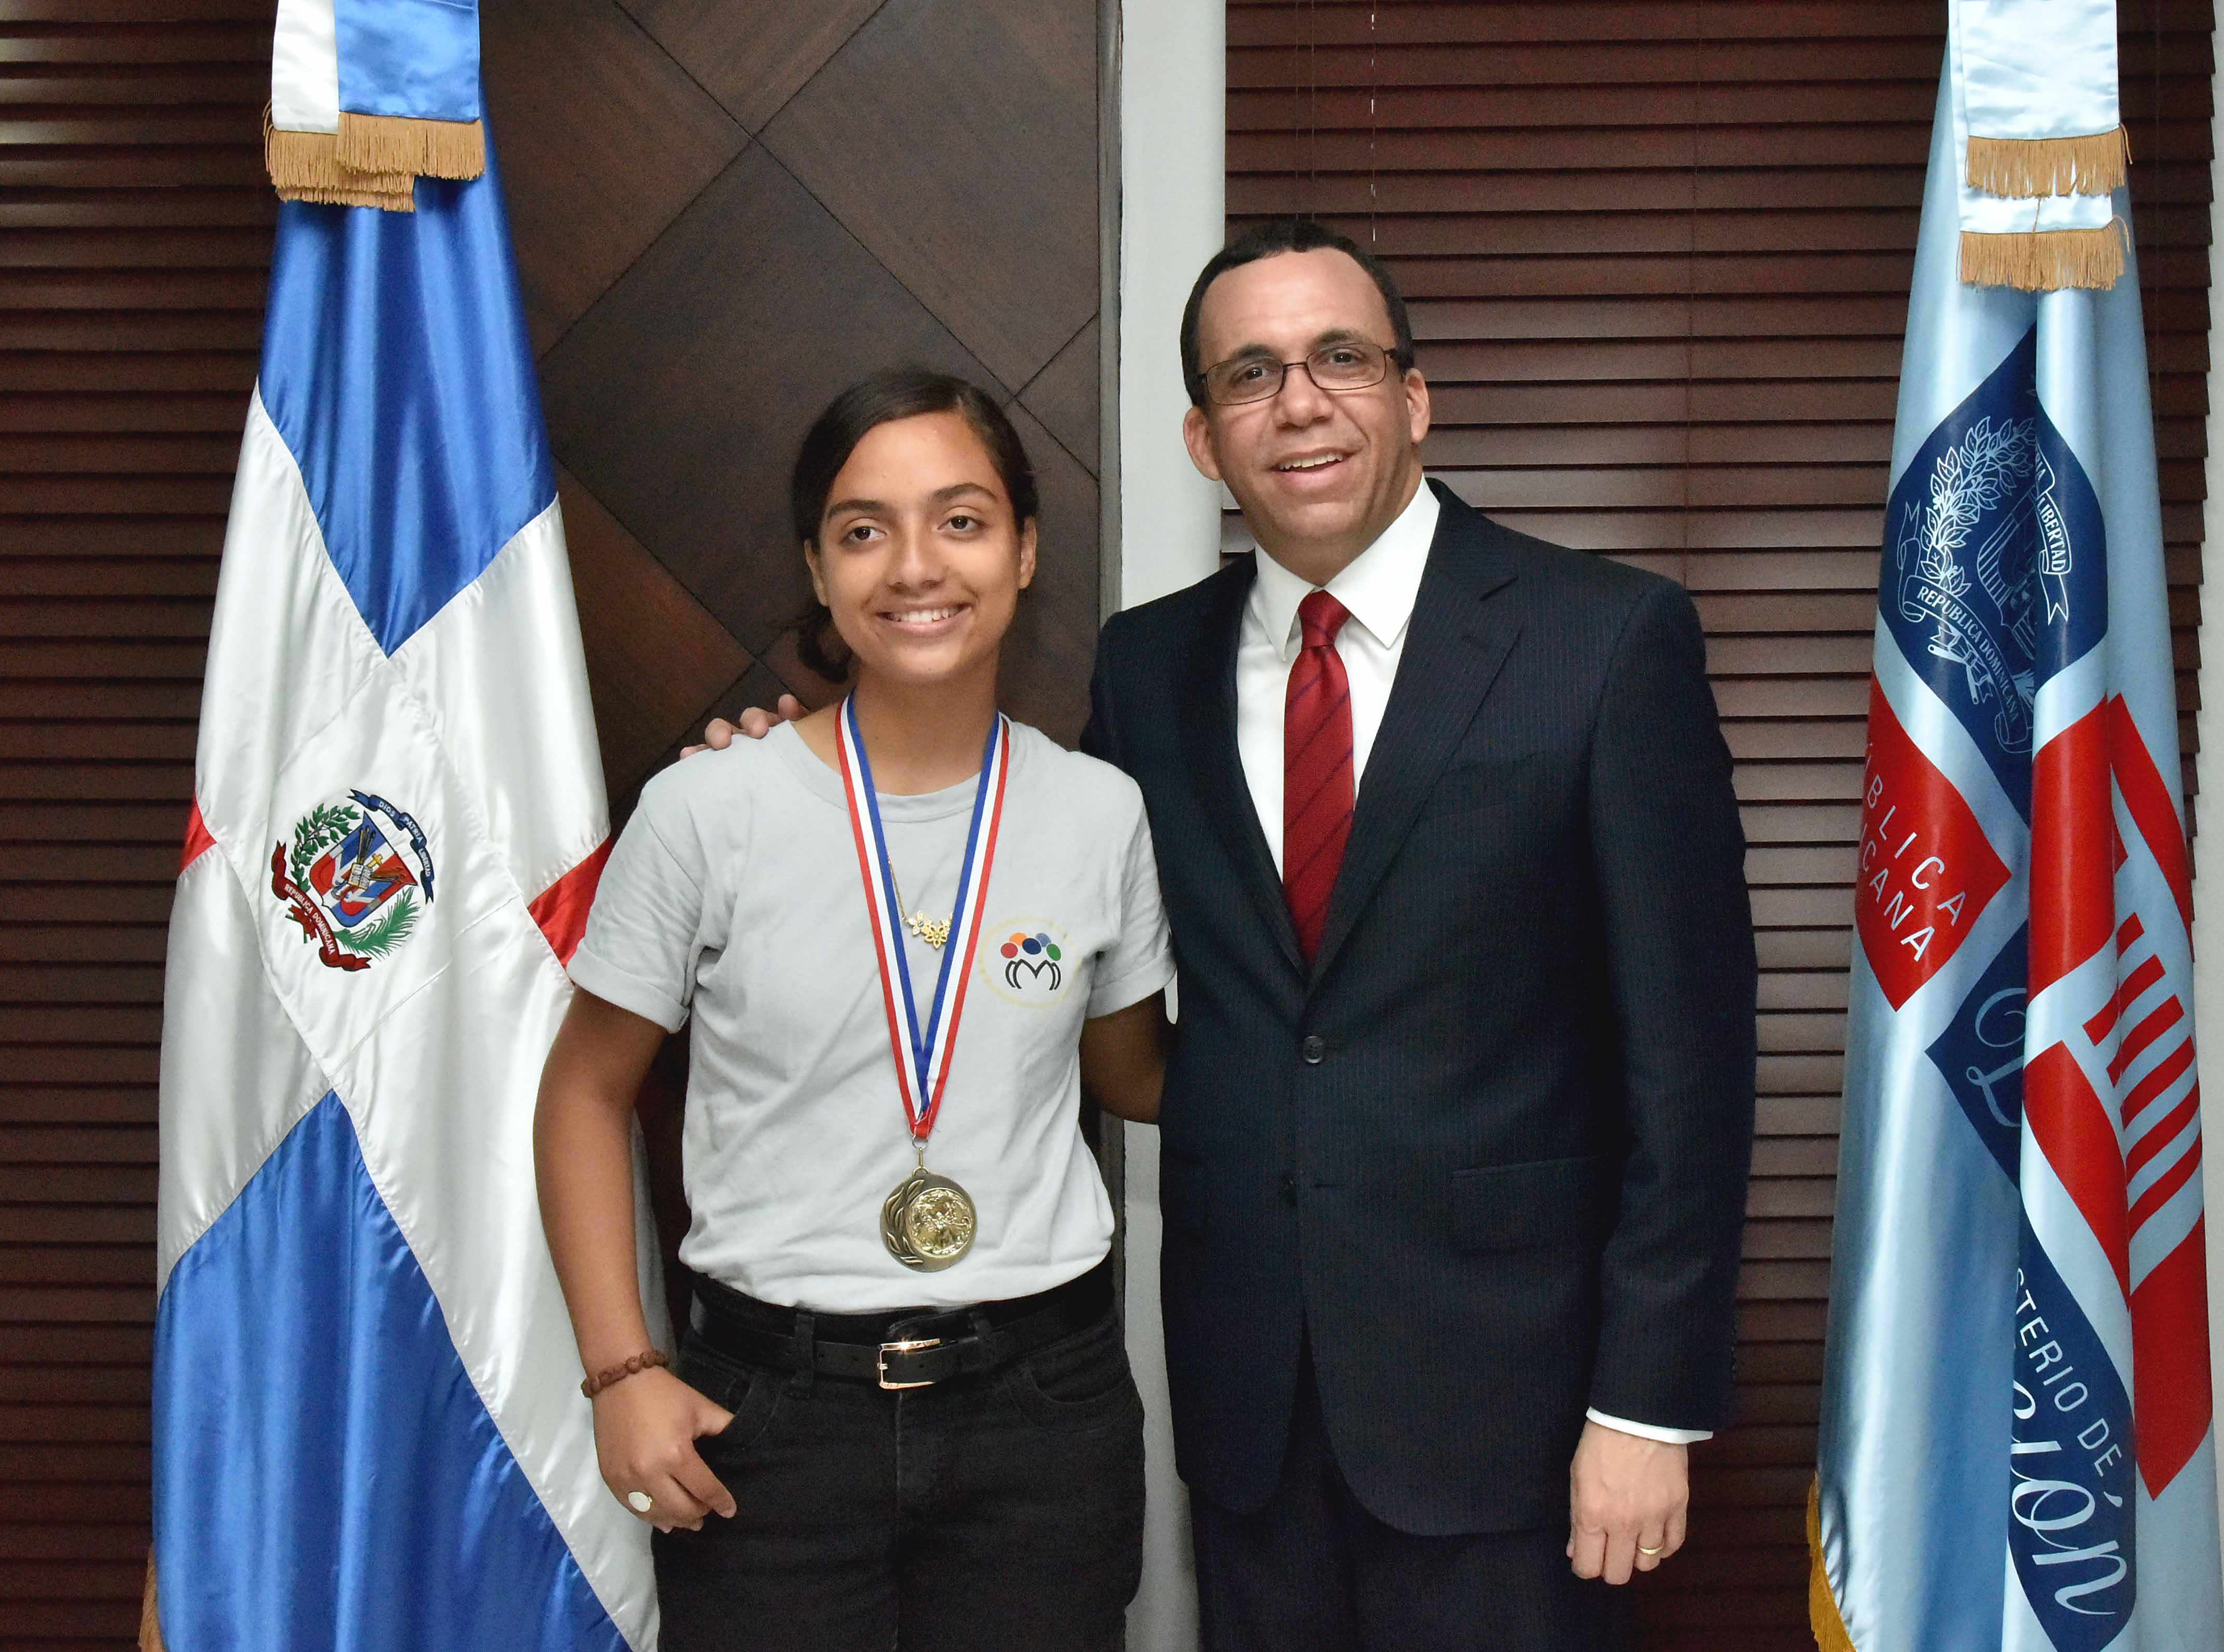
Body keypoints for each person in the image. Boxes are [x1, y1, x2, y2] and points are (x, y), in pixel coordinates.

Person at [706, 221, 1758, 1650]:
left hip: (1516, 1424)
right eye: (1251, 374)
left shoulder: (1603, 640)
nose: (1300, 401)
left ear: (1414, 396)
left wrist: (1643, 1402)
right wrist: (789, 765)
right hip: (1252, 1426)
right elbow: (1025, 879)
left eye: (1339, 357)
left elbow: (1688, 1065)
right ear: (1205, 438)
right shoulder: (1149, 670)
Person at [534, 368, 1176, 1652]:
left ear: (1024, 547)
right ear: (818, 572)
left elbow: (1132, 1074)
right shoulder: (708, 809)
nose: (915, 566)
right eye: (863, 529)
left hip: (1038, 1413)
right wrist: (620, 1373)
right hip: (768, 1420)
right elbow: (583, 1092)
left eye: (961, 518)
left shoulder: (1101, 811)